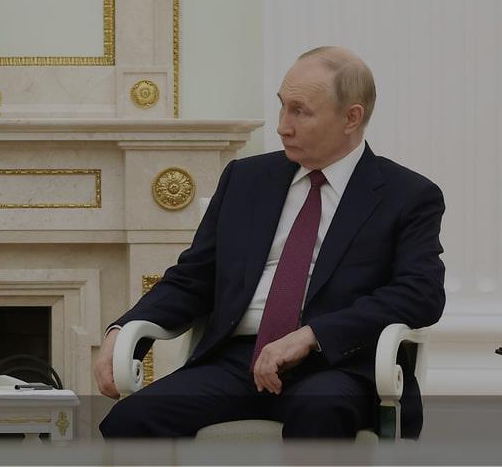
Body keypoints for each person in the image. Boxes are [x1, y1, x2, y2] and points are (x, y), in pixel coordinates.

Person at [95, 46, 445, 438]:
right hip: (238, 361)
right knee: (130, 420)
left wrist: (312, 336)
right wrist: (123, 330)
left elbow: (420, 293)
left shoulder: (407, 195)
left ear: (351, 117)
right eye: (282, 106)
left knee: (321, 410)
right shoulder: (245, 179)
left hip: (336, 364)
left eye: (300, 111)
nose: (282, 126)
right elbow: (193, 279)